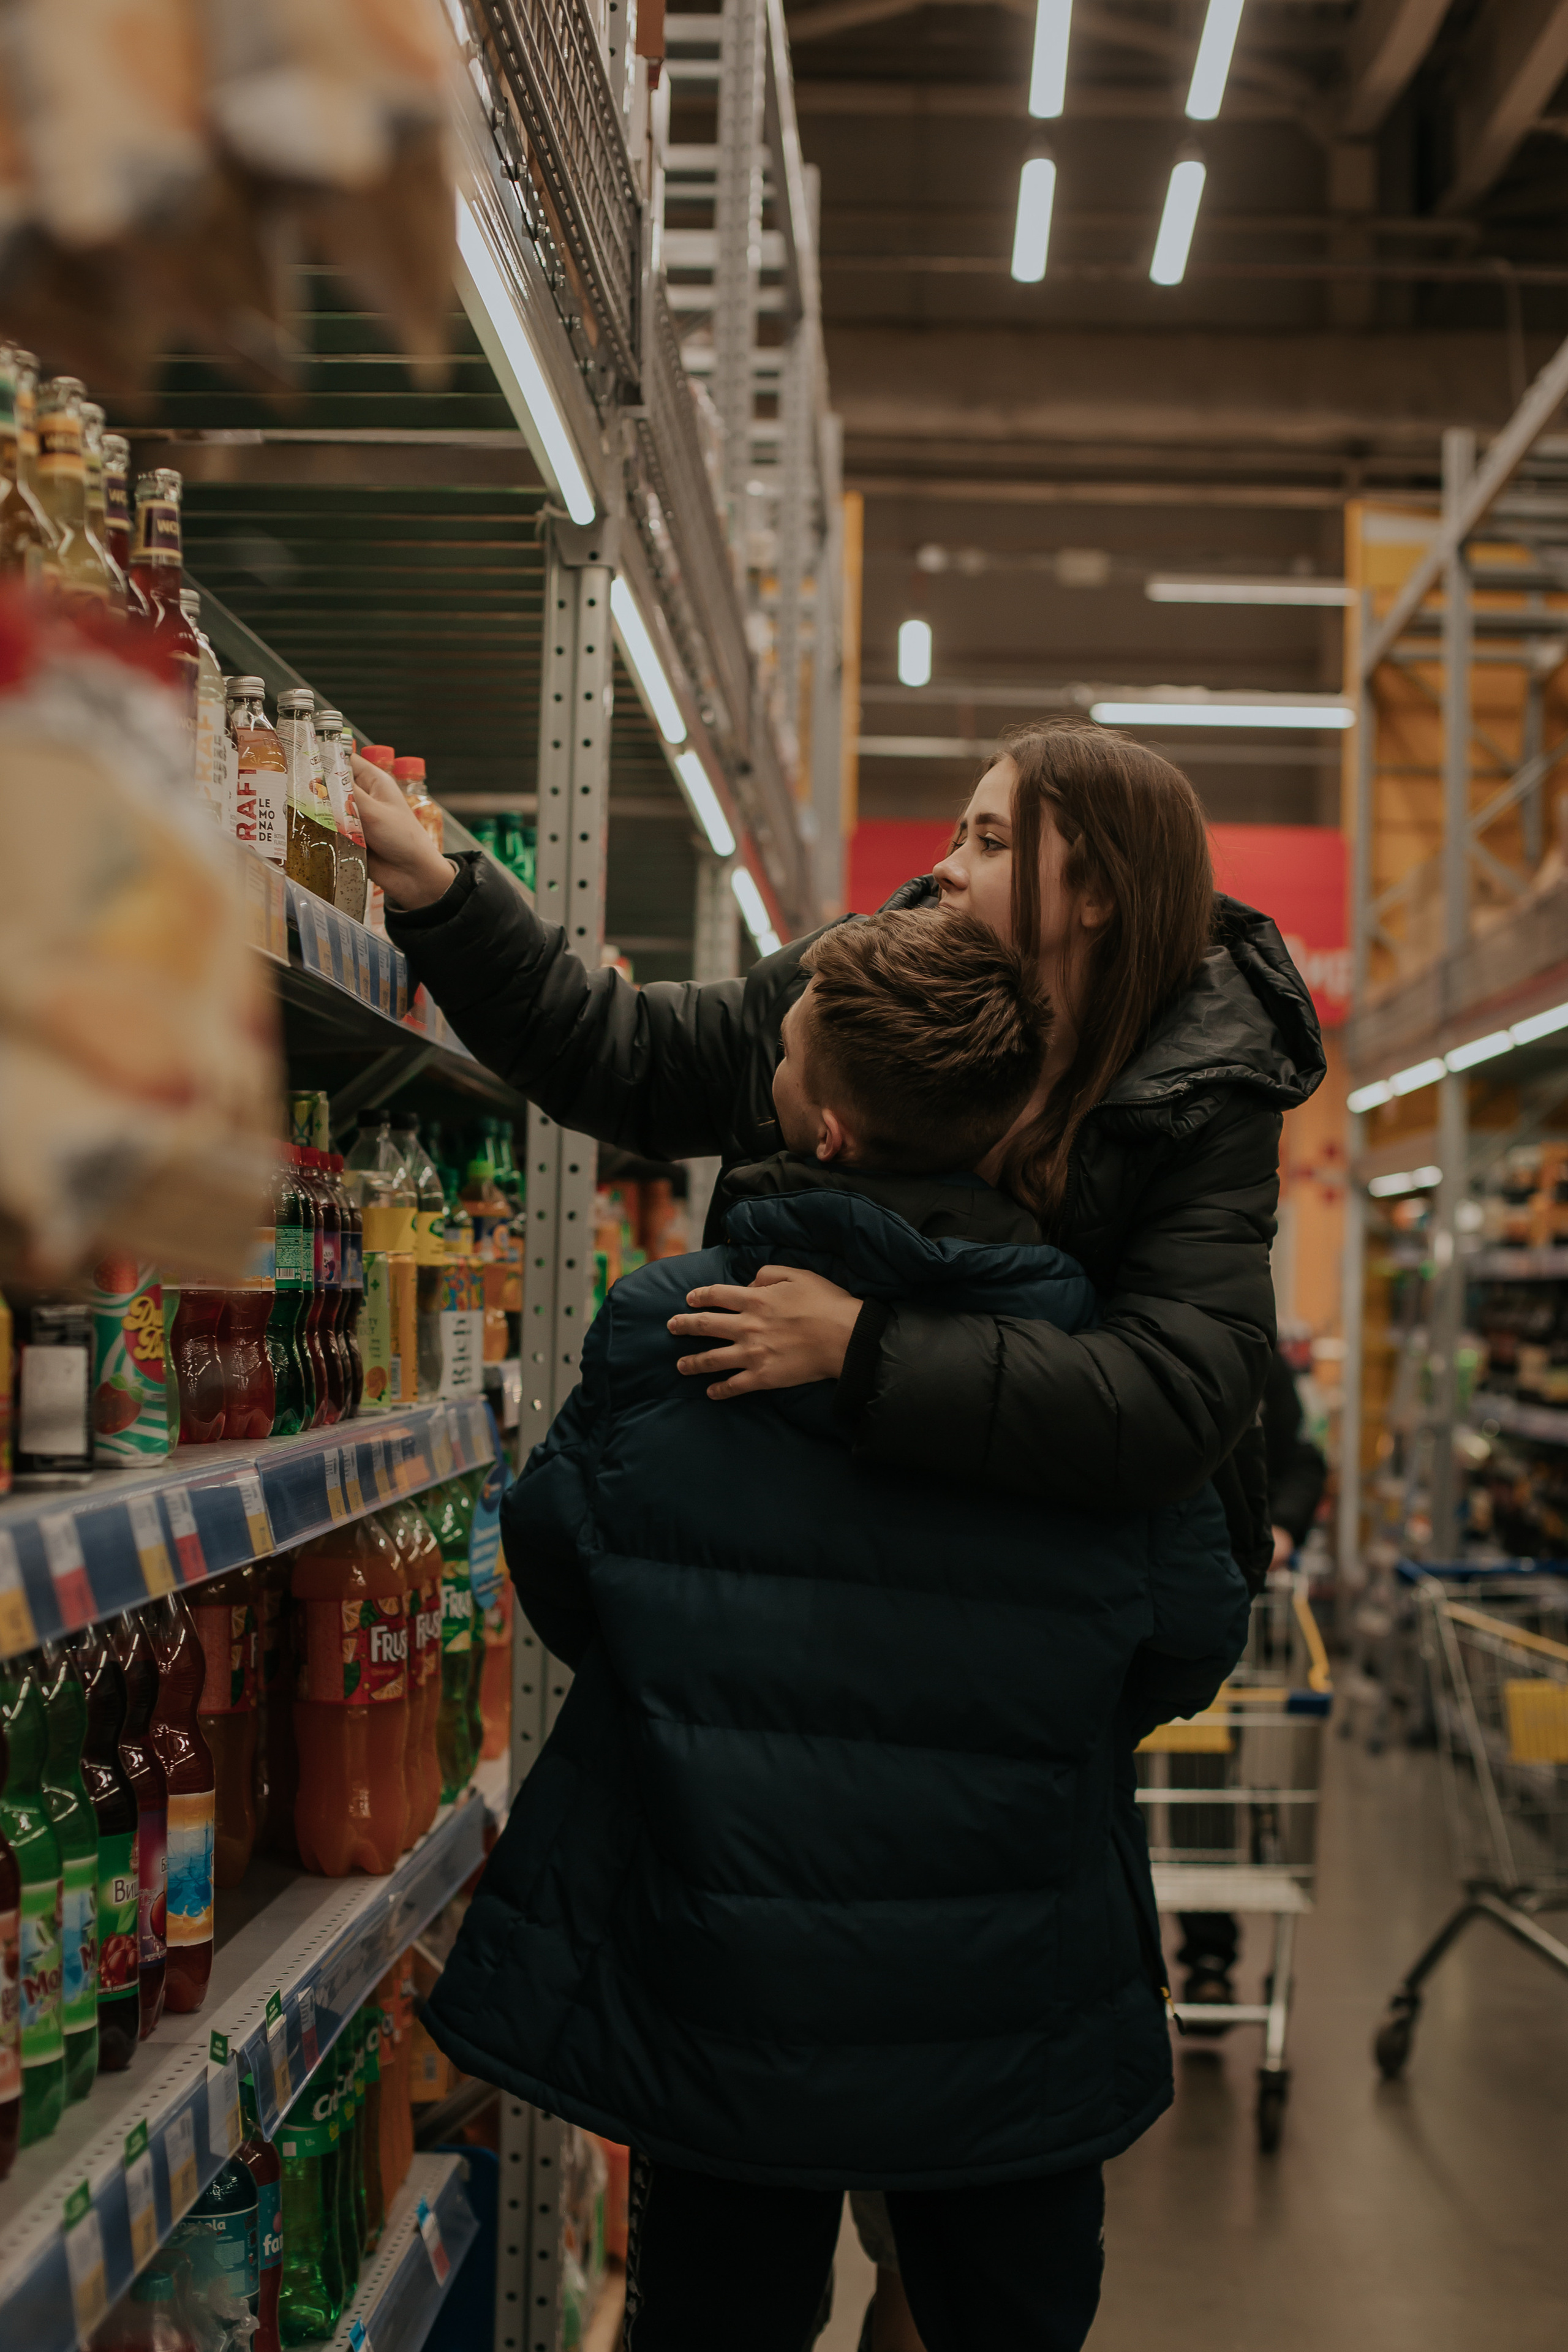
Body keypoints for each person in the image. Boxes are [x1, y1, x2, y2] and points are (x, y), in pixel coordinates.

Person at [419, 910, 1253, 2351]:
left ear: (819, 1124)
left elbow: (563, 1571)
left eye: (779, 1049)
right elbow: (1187, 1633)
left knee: (721, 2315)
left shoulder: (670, 1331)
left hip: (721, 1979)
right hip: (1011, 1991)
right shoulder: (1096, 1374)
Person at [350, 717, 1326, 1599]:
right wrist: (445, 898)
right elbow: (634, 1059)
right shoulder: (862, 989)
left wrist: (863, 1345)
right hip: (810, 1544)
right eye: (957, 834)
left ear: (1100, 895)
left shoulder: (1201, 1094)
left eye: (988, 843)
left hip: (1036, 1586)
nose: (945, 866)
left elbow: (1173, 1396)